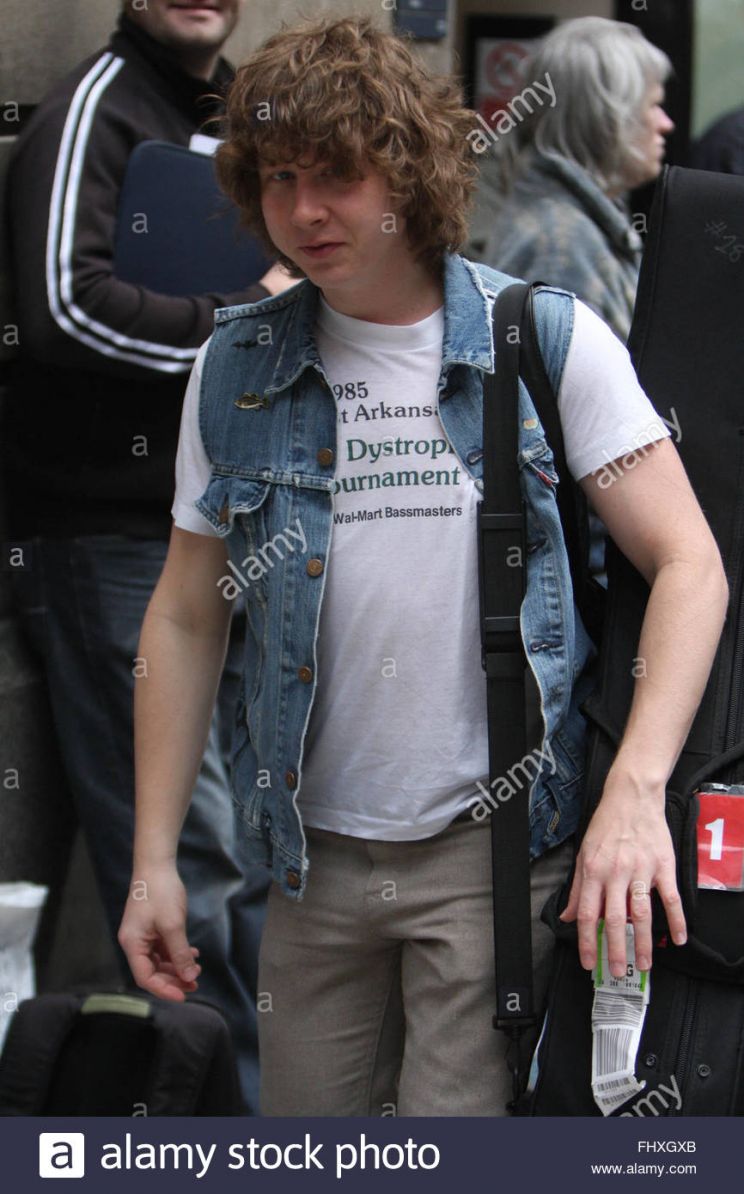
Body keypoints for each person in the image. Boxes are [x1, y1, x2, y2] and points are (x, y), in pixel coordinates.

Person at [118, 16, 728, 1116]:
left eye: (338, 176)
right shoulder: (235, 363)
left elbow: (689, 561)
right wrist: (153, 856)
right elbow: (186, 615)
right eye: (280, 178)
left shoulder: (539, 336)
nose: (305, 211)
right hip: (309, 860)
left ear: (409, 172)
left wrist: (635, 795)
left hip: (494, 854)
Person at [4, 0, 288, 1113]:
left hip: (227, 530)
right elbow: (63, 308)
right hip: (110, 541)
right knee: (191, 867)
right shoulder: (95, 107)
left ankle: (265, 1117)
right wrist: (238, 324)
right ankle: (217, 1134)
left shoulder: (235, 112)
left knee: (253, 854)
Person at [474, 17, 674, 343]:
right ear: (607, 119)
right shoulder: (561, 250)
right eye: (653, 105)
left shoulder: (573, 222)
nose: (666, 124)